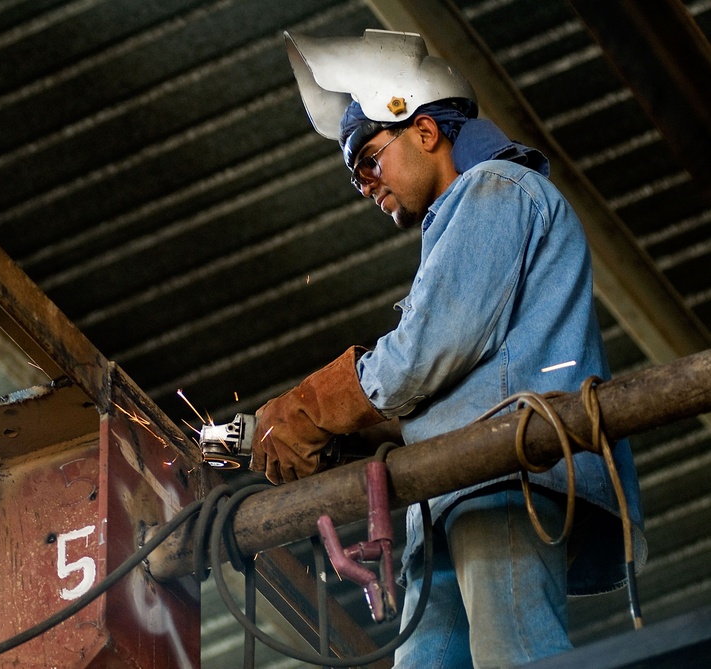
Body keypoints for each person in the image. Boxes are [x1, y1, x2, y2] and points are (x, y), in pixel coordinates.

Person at [249, 29, 646, 668]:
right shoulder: (458, 223)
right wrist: (339, 432)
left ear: (426, 132)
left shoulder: (498, 192)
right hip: (444, 492)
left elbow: (430, 349)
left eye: (370, 158)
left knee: (511, 654)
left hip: (506, 474)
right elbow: (440, 383)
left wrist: (318, 404)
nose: (365, 184)